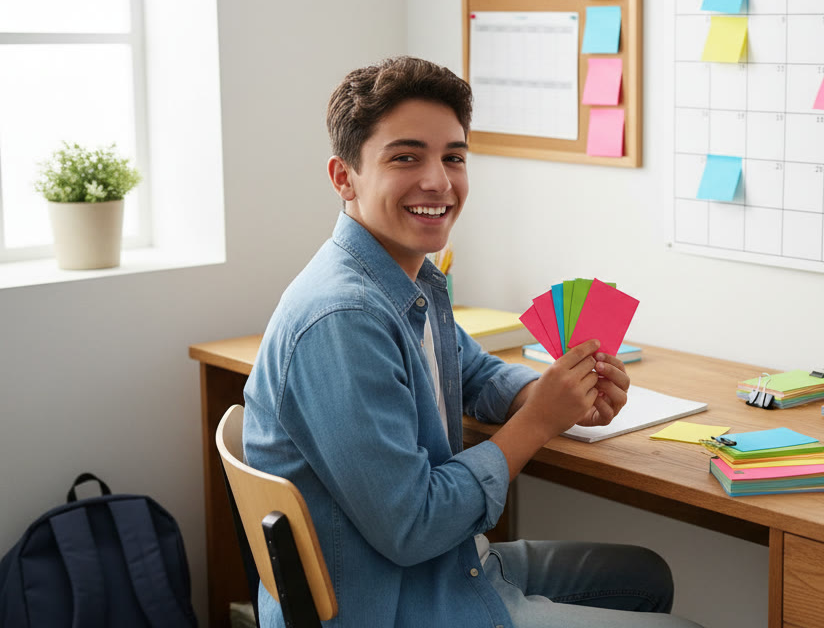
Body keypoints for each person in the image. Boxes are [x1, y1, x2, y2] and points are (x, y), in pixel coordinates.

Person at [243, 56, 700, 628]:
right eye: (406, 157)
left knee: (645, 577)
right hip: (400, 600)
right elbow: (414, 527)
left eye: (453, 157)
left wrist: (552, 392)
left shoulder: (404, 279)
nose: (438, 180)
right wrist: (538, 423)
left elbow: (473, 371)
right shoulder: (345, 317)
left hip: (446, 565)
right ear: (344, 177)